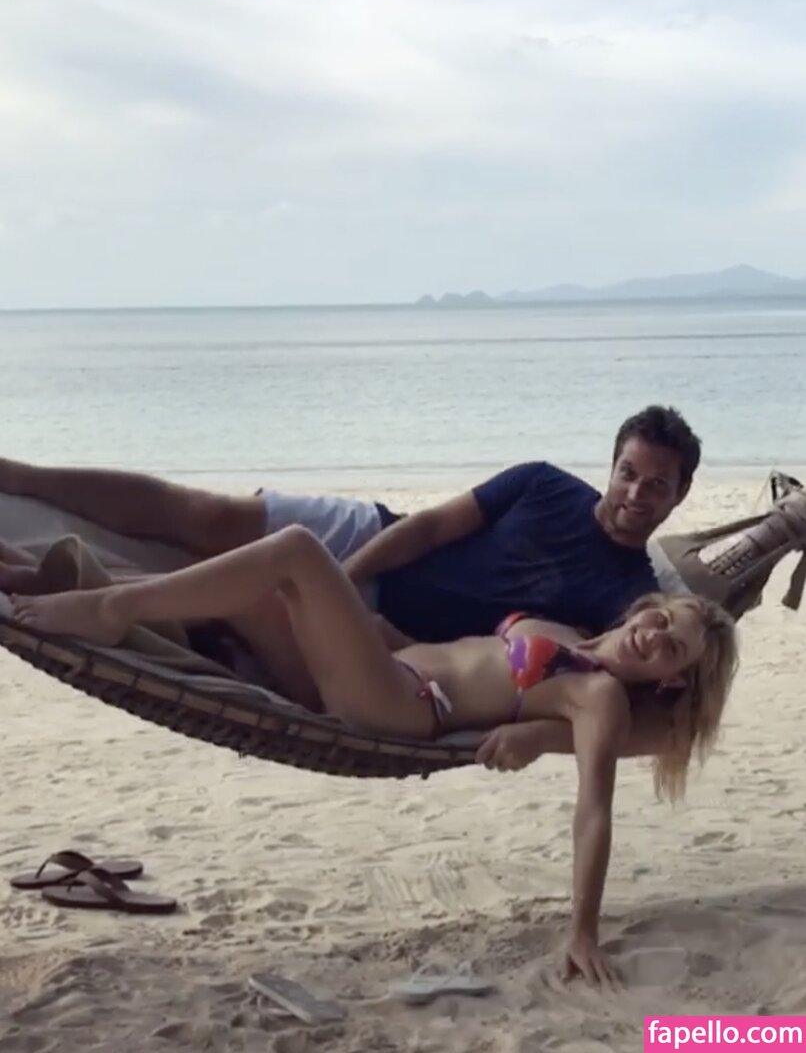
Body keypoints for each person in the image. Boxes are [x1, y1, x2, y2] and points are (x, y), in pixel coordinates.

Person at [9, 524, 738, 987]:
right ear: (648, 607)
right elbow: (489, 673)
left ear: (672, 679)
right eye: (663, 619)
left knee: (296, 550)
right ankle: (40, 576)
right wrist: (380, 631)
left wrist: (582, 931)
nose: (655, 636)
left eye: (672, 648)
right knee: (245, 586)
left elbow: (593, 814)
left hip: (400, 704)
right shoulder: (574, 635)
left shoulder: (601, 697)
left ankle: (105, 610)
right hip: (381, 665)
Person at [0, 405, 701, 707]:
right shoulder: (543, 483)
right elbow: (430, 527)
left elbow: (590, 665)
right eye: (628, 473)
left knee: (218, 596)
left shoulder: (628, 595)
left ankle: (41, 577)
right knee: (210, 517)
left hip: (391, 638)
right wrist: (346, 574)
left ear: (679, 496)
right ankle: (22, 477)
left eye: (657, 485)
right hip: (370, 540)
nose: (636, 494)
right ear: (612, 466)